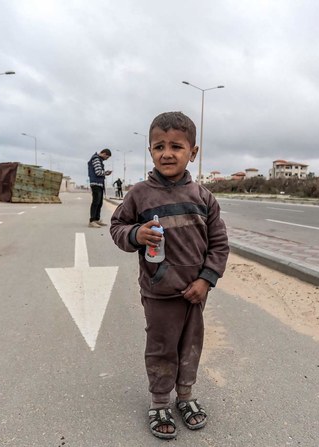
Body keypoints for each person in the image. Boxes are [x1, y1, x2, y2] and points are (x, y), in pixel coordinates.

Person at [109, 111, 229, 439]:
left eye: (176, 146)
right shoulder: (139, 194)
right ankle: (160, 400)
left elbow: (219, 244)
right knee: (161, 346)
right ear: (150, 151)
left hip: (195, 292)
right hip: (158, 291)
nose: (167, 153)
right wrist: (136, 234)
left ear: (193, 152)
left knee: (190, 345)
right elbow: (117, 227)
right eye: (158, 146)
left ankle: (186, 396)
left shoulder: (203, 198)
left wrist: (205, 280)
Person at [87, 148, 112, 227]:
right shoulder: (96, 159)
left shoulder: (98, 159)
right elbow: (98, 172)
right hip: (96, 183)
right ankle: (92, 220)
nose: (106, 159)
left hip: (99, 184)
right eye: (107, 157)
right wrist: (106, 173)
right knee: (96, 202)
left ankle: (97, 219)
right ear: (104, 154)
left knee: (99, 202)